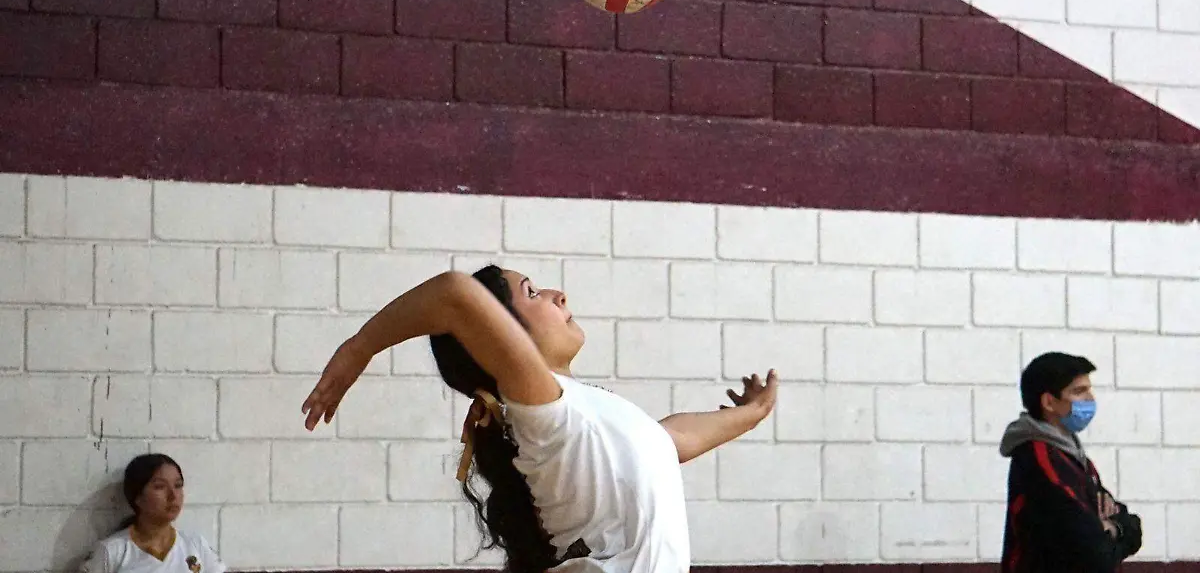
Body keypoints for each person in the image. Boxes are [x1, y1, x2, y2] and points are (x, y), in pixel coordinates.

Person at [301, 265, 778, 573]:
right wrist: (359, 347)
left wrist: (749, 414)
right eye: (531, 292)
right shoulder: (544, 413)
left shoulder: (582, 412)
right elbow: (453, 293)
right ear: (502, 336)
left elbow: (669, 439)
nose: (557, 294)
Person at [999, 352, 1142, 572]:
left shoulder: (1074, 457)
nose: (1090, 399)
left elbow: (1131, 525)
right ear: (1049, 402)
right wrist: (1106, 529)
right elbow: (1092, 554)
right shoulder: (1040, 460)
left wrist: (1113, 527)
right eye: (1078, 391)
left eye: (1089, 389)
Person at [80, 453, 226, 573]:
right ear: (137, 497)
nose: (173, 496)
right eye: (160, 487)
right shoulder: (111, 551)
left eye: (178, 485)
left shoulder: (195, 544)